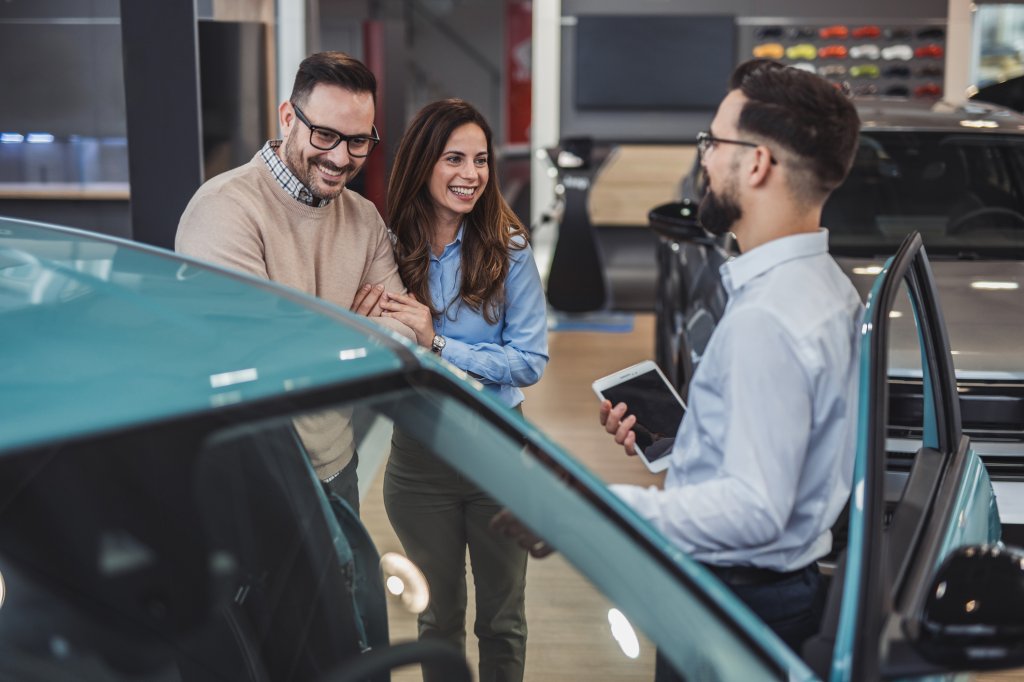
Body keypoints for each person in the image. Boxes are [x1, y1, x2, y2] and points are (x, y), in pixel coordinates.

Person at [598, 59, 863, 674]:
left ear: (757, 163)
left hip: (736, 603)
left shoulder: (768, 319)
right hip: (780, 594)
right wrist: (687, 439)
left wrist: (601, 505)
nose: (705, 160)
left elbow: (753, 509)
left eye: (713, 142)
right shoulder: (825, 288)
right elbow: (785, 452)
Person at [175, 52, 413, 514]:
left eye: (359, 141)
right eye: (325, 134)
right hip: (249, 479)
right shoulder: (224, 209)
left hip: (337, 468)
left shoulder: (363, 217)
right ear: (289, 117)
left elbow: (399, 336)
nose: (341, 158)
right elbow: (258, 359)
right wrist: (354, 330)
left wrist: (316, 338)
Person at [378, 99, 548, 682]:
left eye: (480, 160)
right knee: (438, 619)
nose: (470, 174)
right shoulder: (386, 245)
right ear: (424, 164)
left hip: (498, 449)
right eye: (454, 158)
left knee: (502, 621)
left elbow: (530, 362)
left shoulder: (511, 249)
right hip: (420, 455)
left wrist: (441, 345)